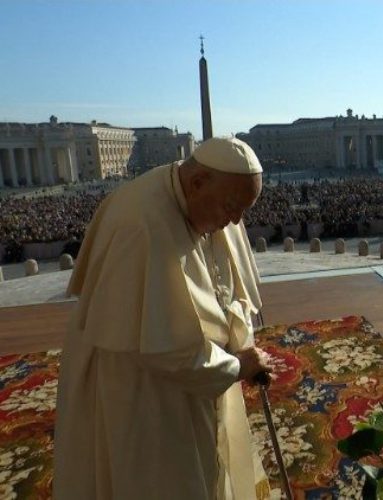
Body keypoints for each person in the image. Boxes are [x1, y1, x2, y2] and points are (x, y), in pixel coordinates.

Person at [54, 137, 275, 500]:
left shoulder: (210, 199)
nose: (236, 221)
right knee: (166, 480)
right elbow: (164, 349)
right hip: (143, 387)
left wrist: (240, 339)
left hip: (192, 371)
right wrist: (236, 366)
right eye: (232, 207)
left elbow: (232, 288)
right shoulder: (140, 224)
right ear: (199, 182)